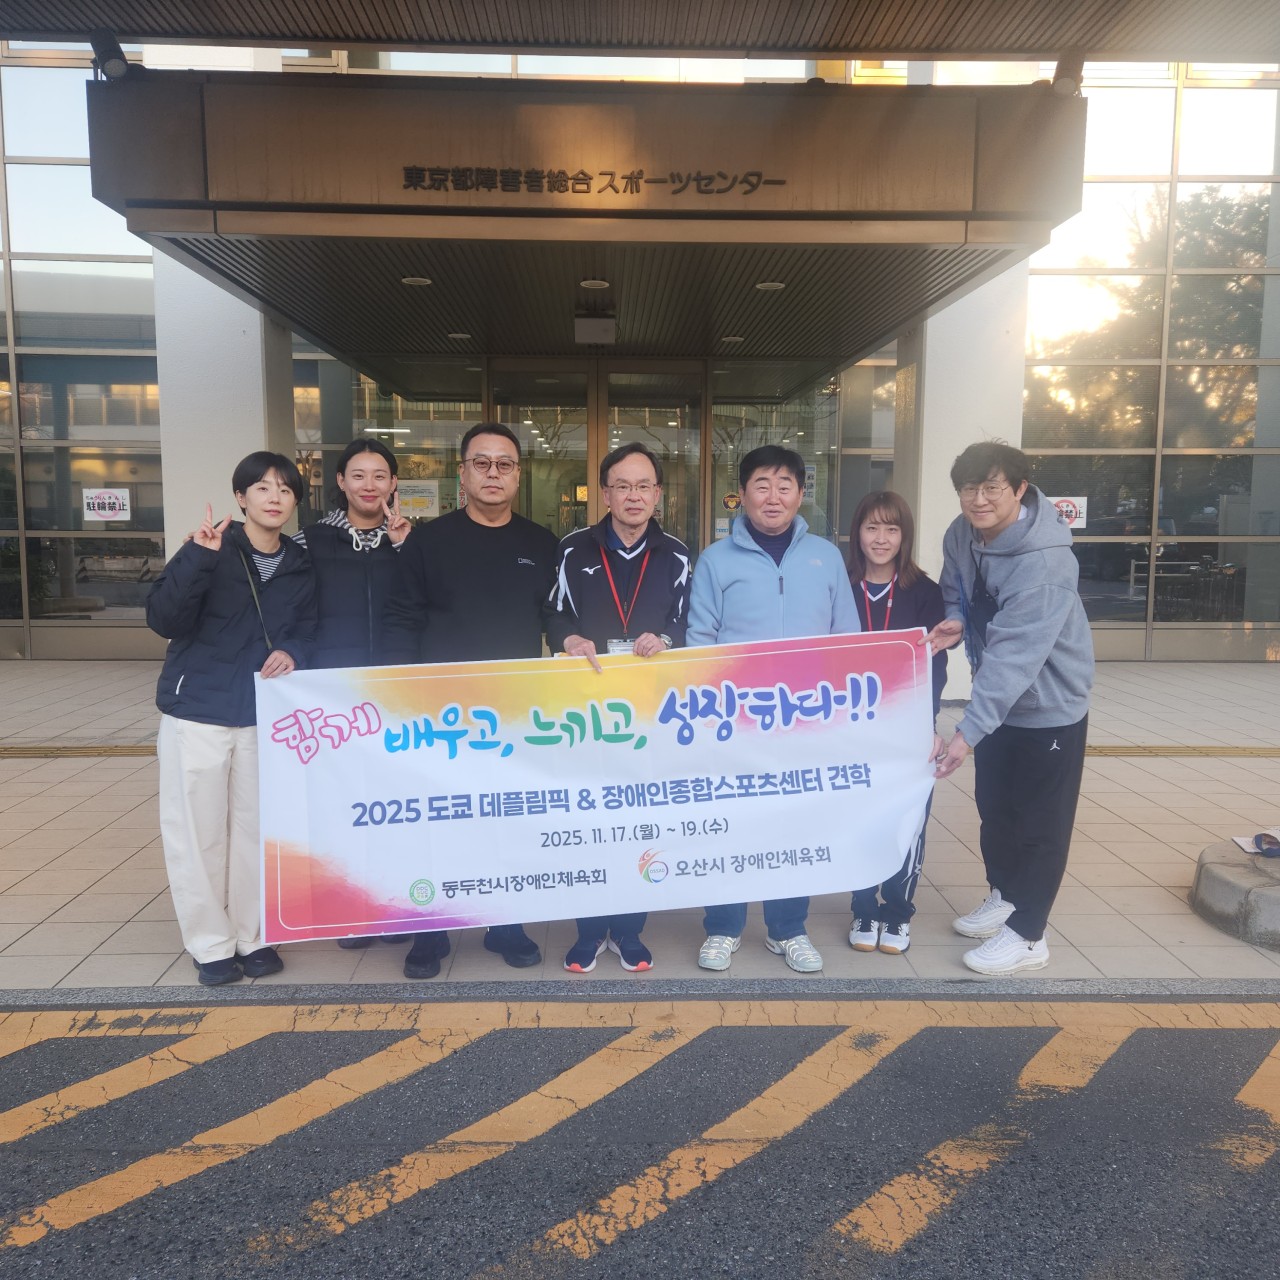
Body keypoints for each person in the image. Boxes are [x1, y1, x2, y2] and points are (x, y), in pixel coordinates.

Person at [386, 422, 559, 978]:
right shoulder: (428, 542)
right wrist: (404, 696)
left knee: (505, 821)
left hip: (512, 713)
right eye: (481, 463)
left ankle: (504, 923)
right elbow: (402, 619)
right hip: (439, 714)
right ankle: (429, 928)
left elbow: (557, 618)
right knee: (436, 822)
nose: (493, 473)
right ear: (462, 473)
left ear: (518, 475)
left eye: (504, 464)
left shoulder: (541, 544)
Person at [686, 444, 860, 973]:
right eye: (761, 484)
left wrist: (839, 713)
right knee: (730, 823)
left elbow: (846, 638)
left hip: (806, 719)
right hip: (737, 720)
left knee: (795, 826)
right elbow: (700, 640)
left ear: (801, 494)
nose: (773, 496)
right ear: (742, 494)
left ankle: (788, 929)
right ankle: (723, 927)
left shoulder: (825, 557)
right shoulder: (716, 559)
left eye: (785, 485)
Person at [147, 452, 316, 986]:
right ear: (241, 498)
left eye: (284, 489)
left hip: (263, 715)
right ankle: (210, 944)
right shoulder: (209, 547)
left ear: (295, 501)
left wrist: (292, 650)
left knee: (256, 833)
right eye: (262, 487)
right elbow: (164, 619)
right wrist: (198, 558)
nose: (274, 497)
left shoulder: (300, 561)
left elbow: (308, 627)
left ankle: (254, 935)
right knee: (197, 834)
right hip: (199, 710)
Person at [926, 441, 1094, 976]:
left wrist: (966, 731)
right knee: (996, 808)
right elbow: (954, 586)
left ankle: (1028, 933)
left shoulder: (1046, 561)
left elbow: (1015, 657)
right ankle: (1005, 895)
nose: (978, 500)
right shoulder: (962, 533)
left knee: (1041, 823)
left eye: (992, 487)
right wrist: (956, 620)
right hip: (998, 701)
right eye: (968, 488)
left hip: (1049, 706)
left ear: (1020, 489)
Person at [547, 441, 692, 973]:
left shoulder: (677, 554)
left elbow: (686, 622)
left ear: (658, 494)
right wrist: (568, 640)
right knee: (590, 819)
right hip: (587, 710)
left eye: (644, 486)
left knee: (642, 821)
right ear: (605, 494)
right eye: (622, 486)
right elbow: (555, 614)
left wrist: (667, 639)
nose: (634, 495)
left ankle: (630, 930)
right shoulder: (573, 549)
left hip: (649, 711)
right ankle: (589, 932)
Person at [295, 437, 417, 954]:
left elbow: (426, 606)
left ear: (394, 483)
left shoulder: (411, 540)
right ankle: (351, 910)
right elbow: (292, 609)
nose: (370, 485)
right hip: (334, 696)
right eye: (359, 475)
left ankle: (393, 904)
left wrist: (405, 548)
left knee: (395, 804)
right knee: (342, 805)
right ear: (341, 481)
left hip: (395, 693)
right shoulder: (309, 542)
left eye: (380, 475)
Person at [846, 491, 947, 957]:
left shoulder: (925, 592)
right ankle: (864, 908)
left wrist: (928, 725)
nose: (881, 538)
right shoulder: (842, 586)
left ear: (904, 535)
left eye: (892, 528)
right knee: (862, 820)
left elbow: (935, 666)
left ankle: (898, 913)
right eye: (872, 527)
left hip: (908, 729)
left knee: (908, 821)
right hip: (852, 730)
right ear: (857, 533)